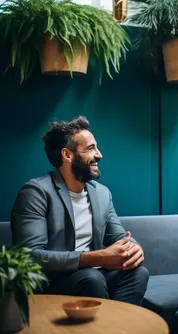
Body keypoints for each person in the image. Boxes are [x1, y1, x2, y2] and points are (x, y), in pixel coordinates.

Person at [11, 116, 149, 305]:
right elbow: (30, 257)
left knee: (138, 273)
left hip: (94, 276)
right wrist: (96, 258)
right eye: (91, 148)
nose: (99, 154)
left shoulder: (101, 193)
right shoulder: (36, 192)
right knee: (91, 278)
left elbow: (120, 236)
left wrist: (134, 248)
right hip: (53, 282)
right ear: (67, 155)